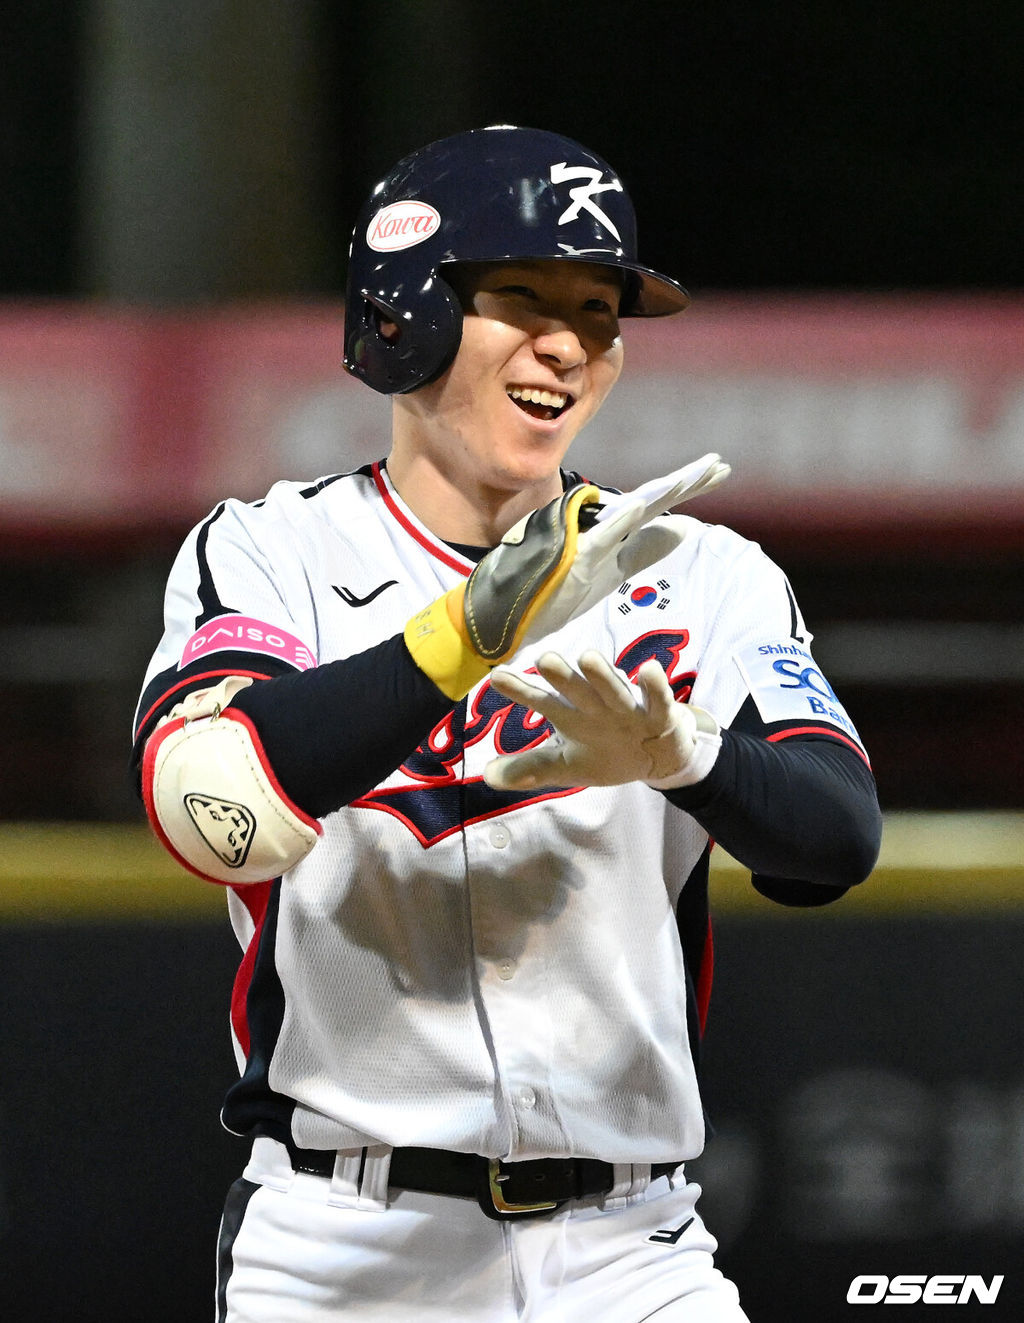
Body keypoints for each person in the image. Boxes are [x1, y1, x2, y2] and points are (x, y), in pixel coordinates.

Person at [132, 125, 882, 1323]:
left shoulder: (706, 573)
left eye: (598, 310)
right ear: (404, 311)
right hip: (343, 1245)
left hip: (633, 1248)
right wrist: (460, 639)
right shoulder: (273, 552)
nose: (566, 343)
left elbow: (834, 842)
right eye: (522, 296)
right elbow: (210, 812)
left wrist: (682, 756)